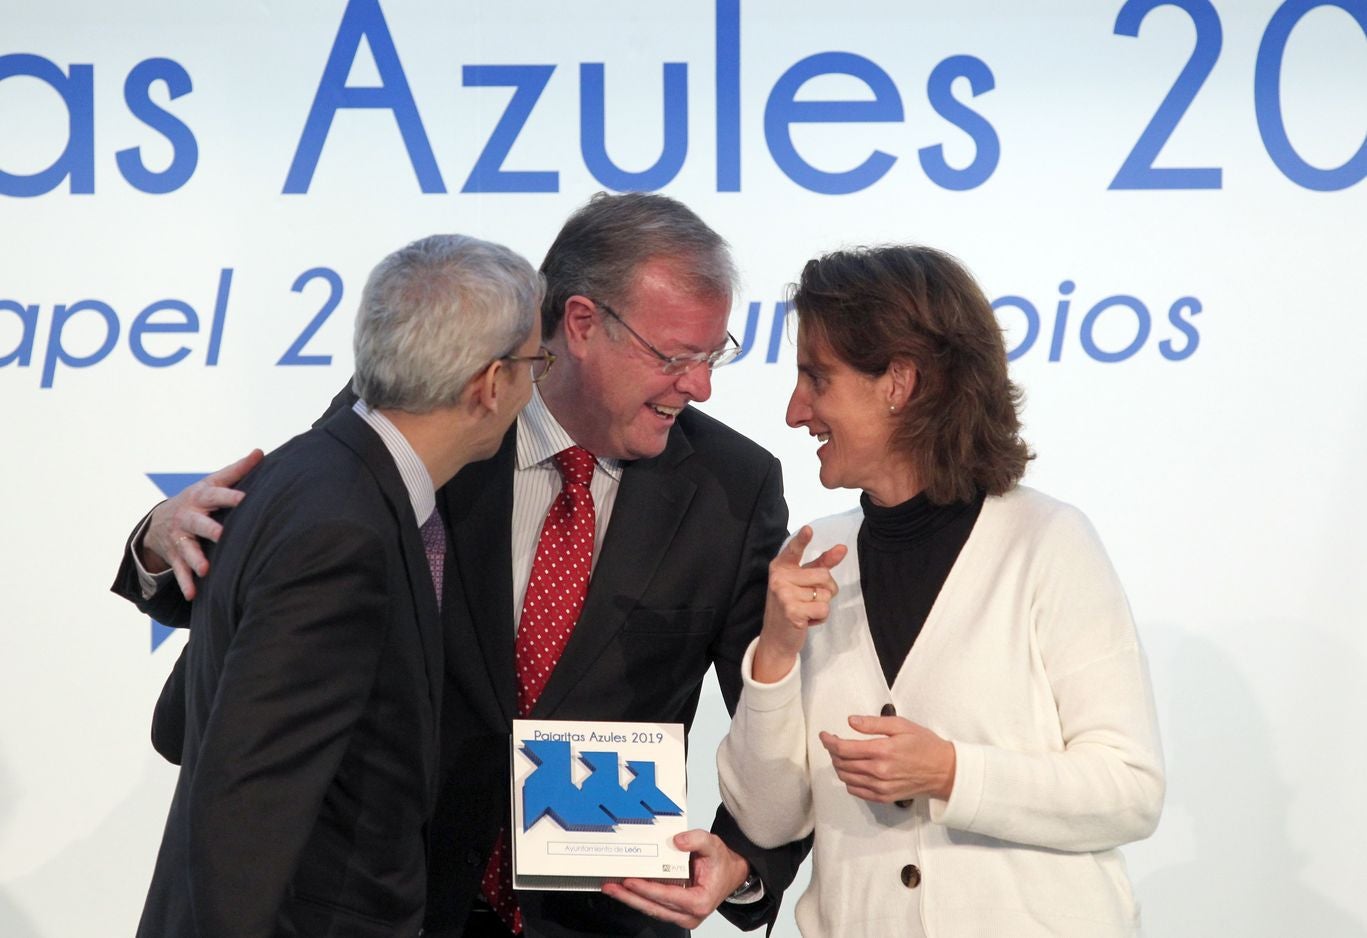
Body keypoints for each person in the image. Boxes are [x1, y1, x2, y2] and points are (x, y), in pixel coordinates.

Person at [114, 193, 807, 937]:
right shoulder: (429, 414)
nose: (698, 385)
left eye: (712, 356)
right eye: (674, 357)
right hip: (404, 902)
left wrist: (739, 861)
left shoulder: (733, 488)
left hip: (595, 920)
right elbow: (291, 571)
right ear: (579, 324)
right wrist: (159, 544)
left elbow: (777, 716)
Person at [717, 245, 1165, 937]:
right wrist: (773, 654)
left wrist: (951, 772)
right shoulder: (814, 557)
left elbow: (1129, 793)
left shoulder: (1046, 541)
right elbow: (769, 820)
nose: (793, 410)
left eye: (817, 378)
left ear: (898, 382)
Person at [119, 235, 546, 937]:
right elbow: (248, 800)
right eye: (536, 363)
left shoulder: (310, 468)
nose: (537, 386)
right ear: (490, 385)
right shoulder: (345, 535)